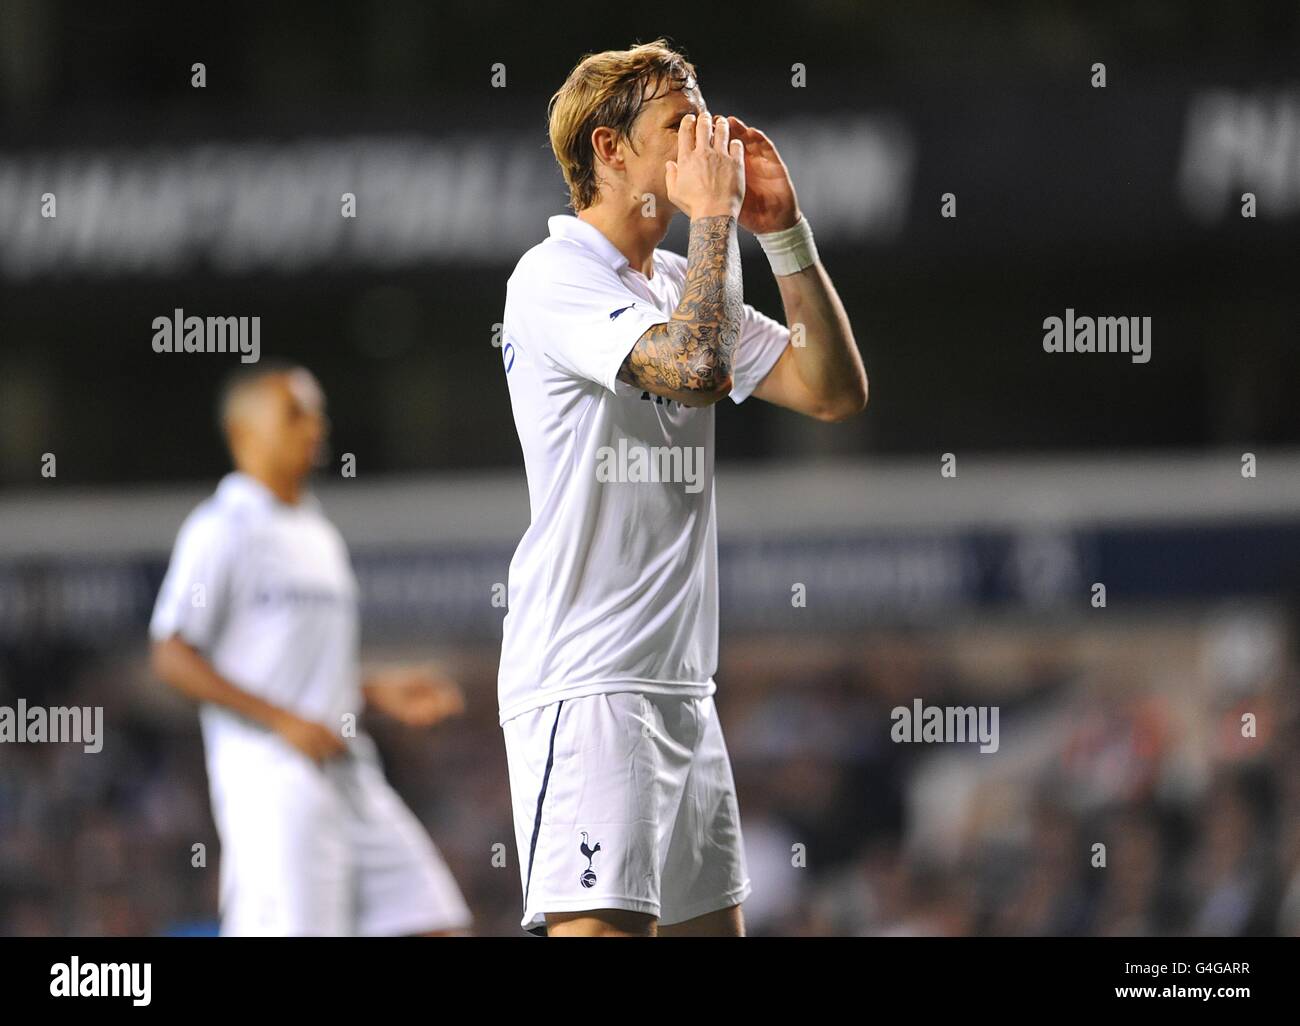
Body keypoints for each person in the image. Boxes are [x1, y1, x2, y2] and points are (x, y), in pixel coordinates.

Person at [498, 39, 867, 937]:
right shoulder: (554, 278)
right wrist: (714, 221)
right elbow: (696, 366)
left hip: (681, 691)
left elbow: (831, 390)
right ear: (610, 152)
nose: (708, 142)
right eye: (679, 124)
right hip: (589, 687)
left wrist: (779, 229)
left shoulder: (671, 280)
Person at [150, 362, 472, 936]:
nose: (314, 427)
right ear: (243, 432)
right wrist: (283, 722)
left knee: (436, 922)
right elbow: (171, 655)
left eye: (317, 413)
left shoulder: (317, 533)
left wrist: (374, 690)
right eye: (294, 414)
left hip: (348, 768)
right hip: (276, 785)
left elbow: (296, 668)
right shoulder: (223, 527)